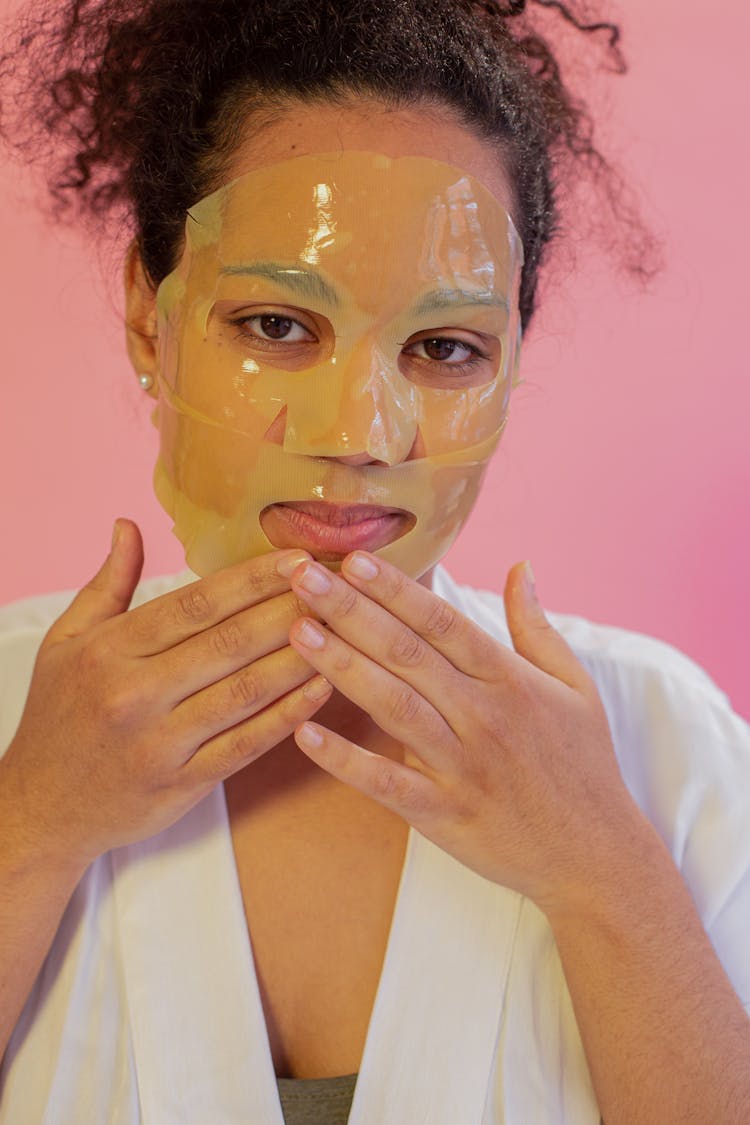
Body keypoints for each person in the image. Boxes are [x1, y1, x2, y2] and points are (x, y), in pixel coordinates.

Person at [0, 1, 749, 1122]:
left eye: (445, 348)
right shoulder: (11, 699)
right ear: (149, 318)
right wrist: (33, 825)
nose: (361, 428)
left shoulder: (661, 740)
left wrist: (606, 879)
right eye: (276, 326)